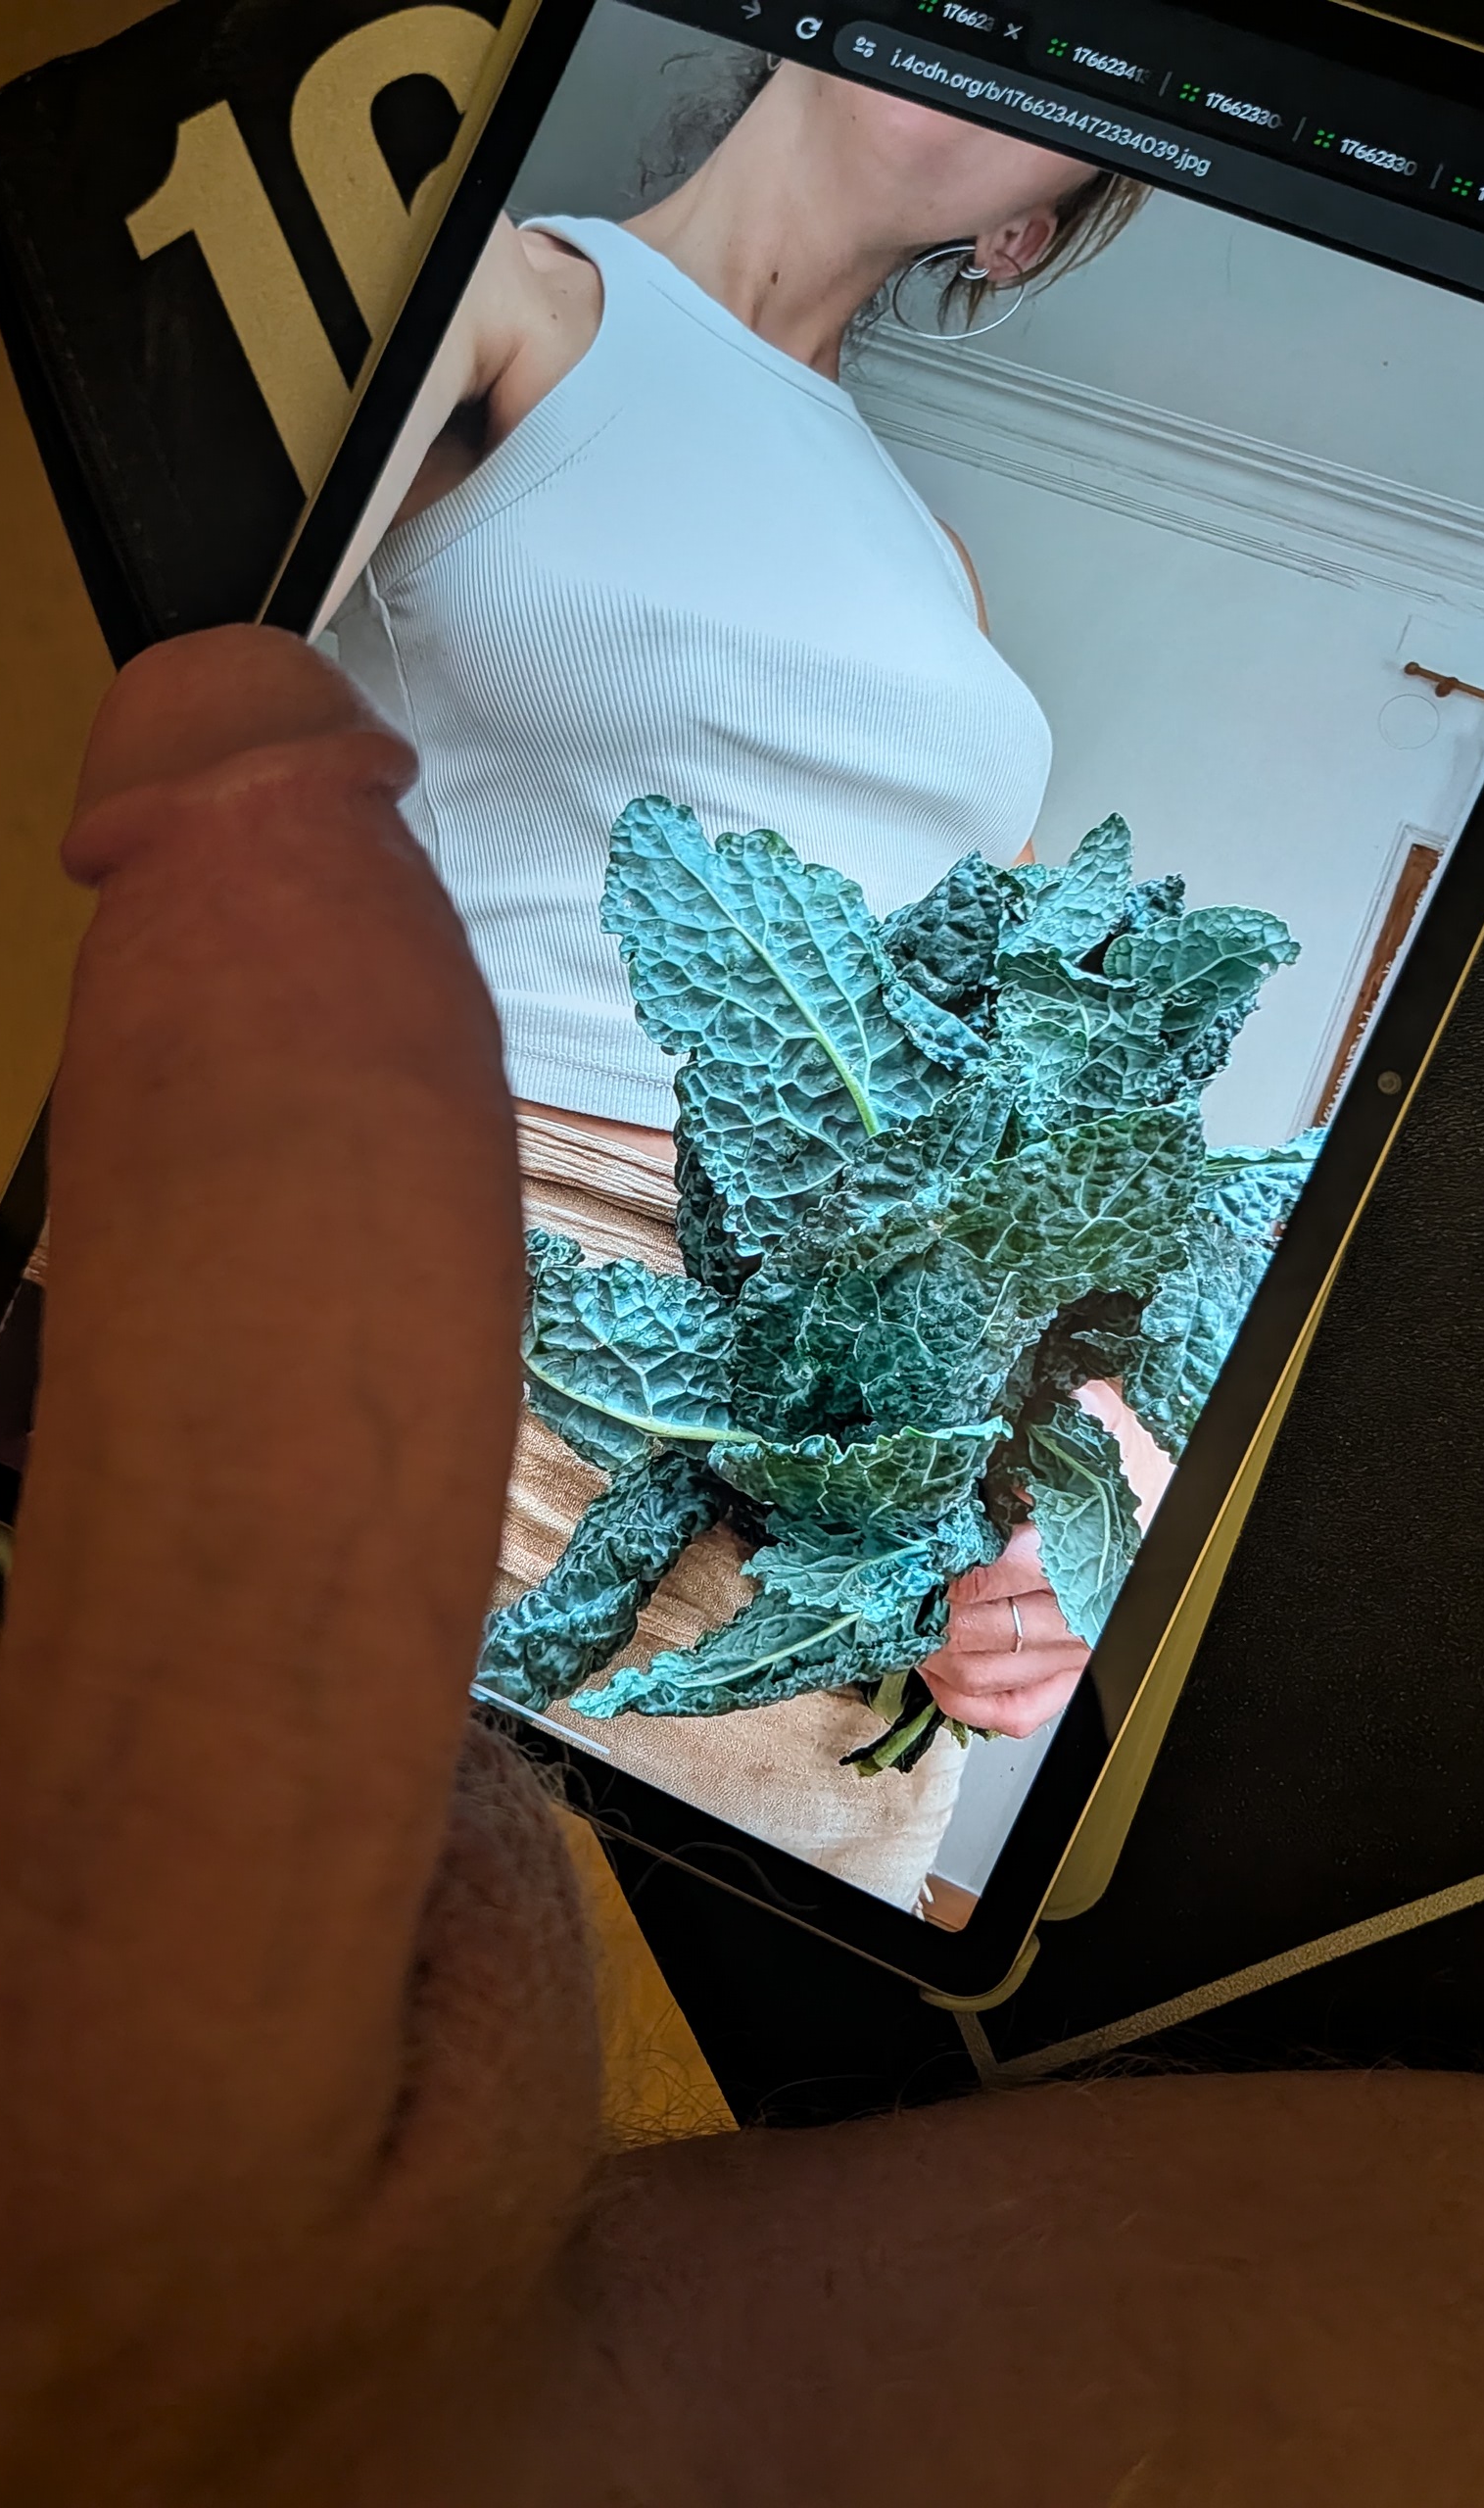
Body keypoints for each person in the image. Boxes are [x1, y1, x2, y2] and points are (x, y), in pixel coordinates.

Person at [0, 629, 1484, 2504]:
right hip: (534, 1209)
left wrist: (1072, 1512)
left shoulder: (955, 639)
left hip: (828, 1484)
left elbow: (1058, 1228)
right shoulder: (525, 426)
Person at [328, 60, 1158, 1908]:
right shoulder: (503, 296)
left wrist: (1085, 1443)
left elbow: (1002, 1056)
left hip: (855, 1459)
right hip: (479, 1293)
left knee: (727, 2022)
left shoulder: (936, 566)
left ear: (1019, 234)